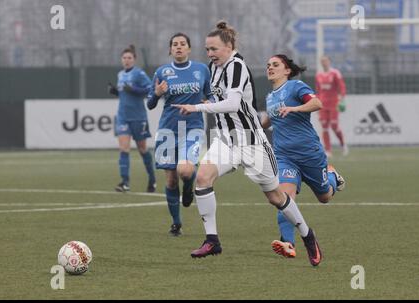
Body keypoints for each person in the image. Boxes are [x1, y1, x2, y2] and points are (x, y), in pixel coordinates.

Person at [174, 21, 323, 266]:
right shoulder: (214, 67)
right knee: (202, 177)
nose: (210, 54)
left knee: (276, 197)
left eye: (214, 49)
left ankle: (308, 236)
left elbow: (233, 104)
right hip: (224, 139)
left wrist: (196, 107)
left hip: (251, 141)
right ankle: (212, 240)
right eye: (207, 49)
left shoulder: (237, 67)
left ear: (229, 46)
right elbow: (220, 100)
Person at [260, 54, 346, 259]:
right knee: (283, 197)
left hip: (309, 153)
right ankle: (288, 243)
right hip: (284, 156)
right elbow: (270, 119)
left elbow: (317, 103)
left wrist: (294, 108)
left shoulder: (296, 86)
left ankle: (332, 176)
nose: (270, 68)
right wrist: (257, 128)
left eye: (275, 65)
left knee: (324, 197)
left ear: (287, 70)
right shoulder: (270, 97)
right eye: (268, 65)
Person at [147, 33, 212, 236]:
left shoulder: (201, 69)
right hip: (168, 130)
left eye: (183, 44)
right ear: (170, 49)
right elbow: (150, 104)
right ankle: (176, 224)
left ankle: (189, 186)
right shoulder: (162, 72)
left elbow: (210, 95)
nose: (179, 47)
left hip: (192, 128)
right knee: (170, 180)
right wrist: (157, 93)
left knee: (184, 171)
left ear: (189, 48)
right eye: (175, 44)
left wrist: (209, 103)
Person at [108, 44, 156, 193]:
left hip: (138, 117)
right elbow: (124, 93)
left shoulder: (139, 73)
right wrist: (116, 92)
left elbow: (150, 89)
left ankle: (152, 179)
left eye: (129, 58)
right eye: (124, 58)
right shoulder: (120, 74)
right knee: (123, 148)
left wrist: (134, 89)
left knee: (142, 149)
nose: (126, 60)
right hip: (123, 116)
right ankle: (125, 182)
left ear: (134, 59)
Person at [315, 55, 348, 158]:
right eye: (322, 61)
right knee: (324, 126)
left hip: (334, 103)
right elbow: (318, 91)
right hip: (323, 105)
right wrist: (316, 105)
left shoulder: (335, 73)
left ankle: (343, 145)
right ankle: (328, 150)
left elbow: (341, 86)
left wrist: (342, 98)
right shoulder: (318, 75)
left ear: (329, 61)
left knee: (334, 126)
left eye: (325, 61)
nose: (324, 63)